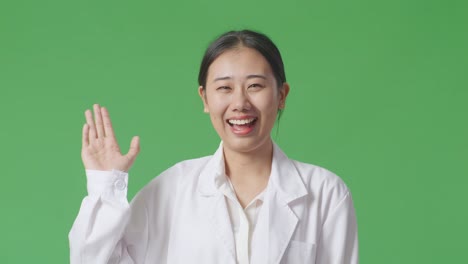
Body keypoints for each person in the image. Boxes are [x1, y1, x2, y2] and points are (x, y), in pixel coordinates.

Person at [69, 30, 358, 264]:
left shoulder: (325, 193)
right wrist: (106, 187)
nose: (240, 103)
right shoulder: (171, 189)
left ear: (281, 95)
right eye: (224, 88)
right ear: (205, 99)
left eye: (255, 86)